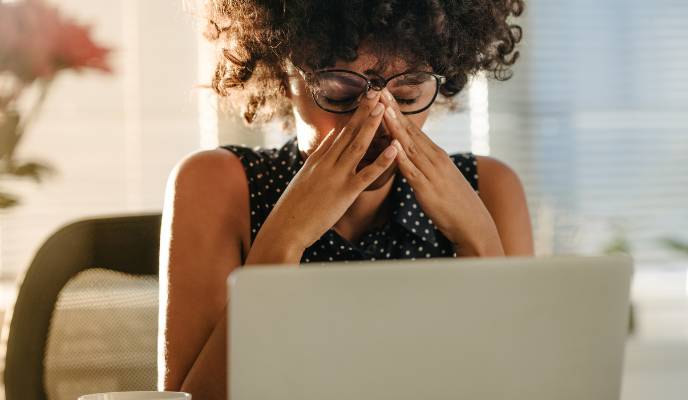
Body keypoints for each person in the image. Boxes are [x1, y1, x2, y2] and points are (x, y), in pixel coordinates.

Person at [159, 1, 532, 399]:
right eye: (339, 93)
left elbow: (526, 384)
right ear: (284, 74)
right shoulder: (218, 184)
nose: (378, 123)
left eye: (406, 96)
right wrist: (285, 240)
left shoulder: (489, 188)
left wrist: (478, 240)